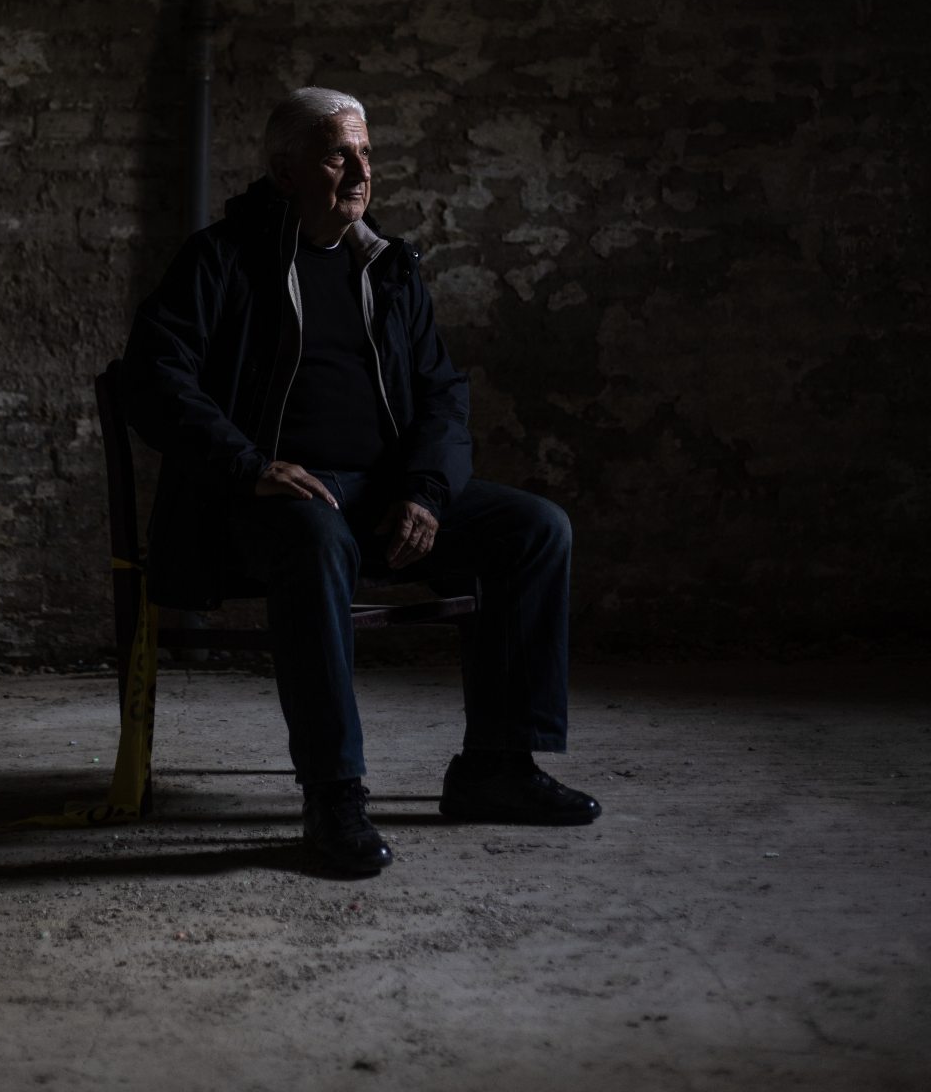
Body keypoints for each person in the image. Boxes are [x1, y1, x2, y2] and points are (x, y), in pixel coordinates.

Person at [123, 86, 600, 874]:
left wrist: (426, 492)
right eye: (338, 154)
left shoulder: (389, 268)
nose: (360, 170)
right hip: (261, 507)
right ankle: (334, 796)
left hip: (382, 498)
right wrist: (249, 465)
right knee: (313, 534)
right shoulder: (221, 259)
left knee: (534, 530)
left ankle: (497, 767)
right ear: (285, 171)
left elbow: (443, 396)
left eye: (366, 153)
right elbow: (153, 375)